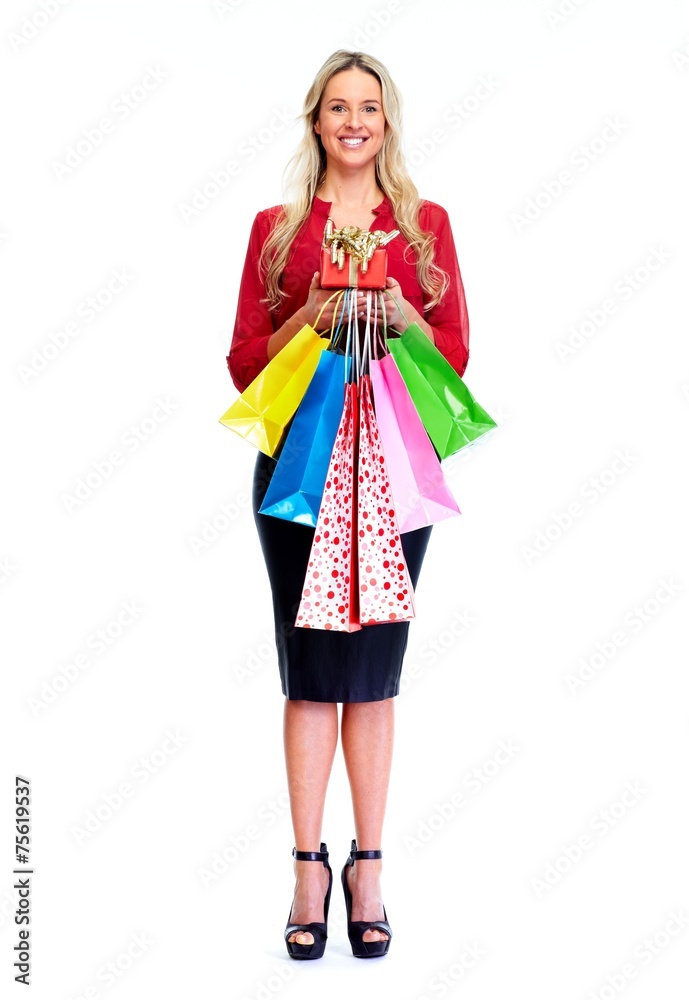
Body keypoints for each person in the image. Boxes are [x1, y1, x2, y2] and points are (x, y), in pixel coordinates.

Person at [227, 50, 470, 960]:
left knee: (372, 667)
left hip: (395, 472)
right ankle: (305, 868)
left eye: (369, 106)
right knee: (309, 669)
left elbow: (455, 356)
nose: (354, 121)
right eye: (338, 107)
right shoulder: (278, 230)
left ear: (387, 121)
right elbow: (247, 363)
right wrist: (314, 311)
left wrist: (397, 309)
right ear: (315, 121)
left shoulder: (426, 226)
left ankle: (368, 865)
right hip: (297, 466)